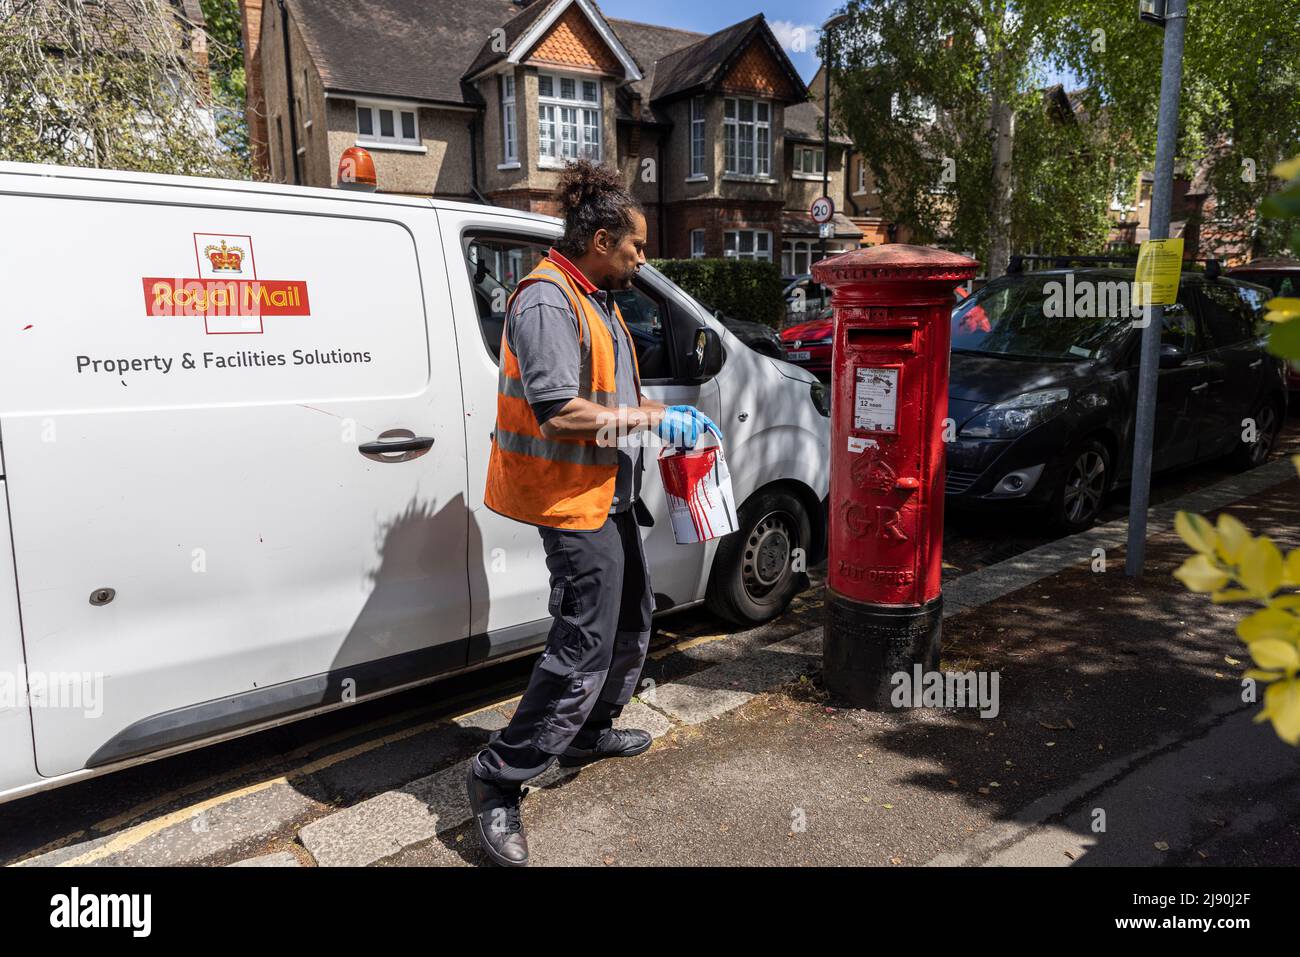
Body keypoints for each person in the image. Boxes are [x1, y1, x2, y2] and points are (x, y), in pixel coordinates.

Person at [466, 159, 720, 867]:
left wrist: (663, 424)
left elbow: (610, 391)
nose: (641, 261)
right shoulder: (548, 299)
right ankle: (497, 777)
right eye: (636, 248)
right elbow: (559, 413)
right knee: (582, 644)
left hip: (606, 494)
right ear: (602, 239)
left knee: (634, 616)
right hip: (568, 498)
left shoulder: (594, 294)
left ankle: (588, 730)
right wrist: (651, 420)